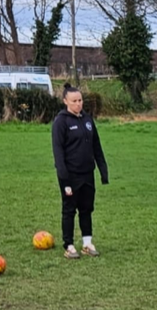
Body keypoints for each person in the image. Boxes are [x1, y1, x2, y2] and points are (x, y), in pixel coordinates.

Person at [52, 83, 109, 259]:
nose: (78, 104)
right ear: (65, 101)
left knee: (86, 209)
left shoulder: (87, 119)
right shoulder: (61, 122)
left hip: (87, 175)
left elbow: (96, 146)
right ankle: (68, 246)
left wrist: (103, 171)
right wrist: (64, 178)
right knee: (69, 210)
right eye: (74, 101)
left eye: (80, 100)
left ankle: (87, 243)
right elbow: (58, 152)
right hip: (70, 176)